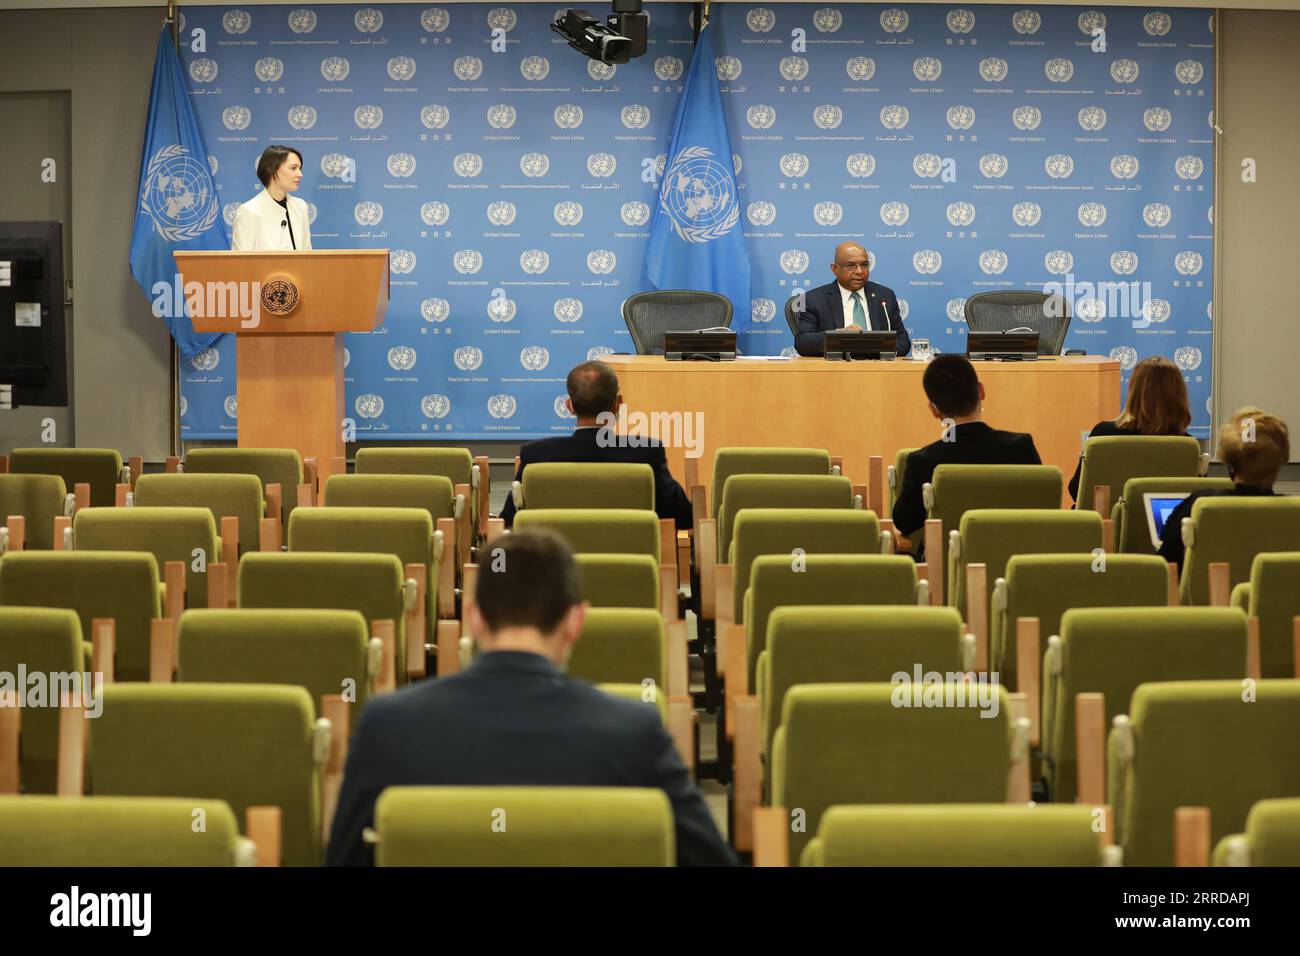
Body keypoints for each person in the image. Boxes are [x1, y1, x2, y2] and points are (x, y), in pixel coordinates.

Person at [326, 528, 736, 867]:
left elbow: (345, 859)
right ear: (575, 622)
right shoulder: (633, 731)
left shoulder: (388, 724)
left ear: (474, 616)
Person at [499, 360, 694, 529]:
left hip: (554, 565)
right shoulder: (645, 452)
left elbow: (508, 521)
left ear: (569, 406)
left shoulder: (536, 455)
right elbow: (684, 517)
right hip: (631, 566)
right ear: (618, 404)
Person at [891, 354, 1041, 557]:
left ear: (934, 410)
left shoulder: (923, 461)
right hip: (1017, 567)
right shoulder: (1021, 448)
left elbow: (904, 522)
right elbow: (1041, 509)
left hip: (947, 570)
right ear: (981, 391)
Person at [1158, 407, 1288, 570]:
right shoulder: (1293, 513)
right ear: (1281, 460)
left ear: (1230, 463)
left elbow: (1164, 565)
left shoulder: (1198, 506)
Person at [1069, 356, 1191, 502]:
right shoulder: (1187, 446)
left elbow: (1077, 490)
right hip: (1162, 523)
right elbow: (1195, 498)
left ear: (1133, 391)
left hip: (1109, 523)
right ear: (1179, 396)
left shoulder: (1103, 435)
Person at [794, 241, 911, 357]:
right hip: (835, 370)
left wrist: (881, 351)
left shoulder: (885, 296)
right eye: (851, 265)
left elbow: (903, 342)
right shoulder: (813, 299)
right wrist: (838, 336)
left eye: (864, 265)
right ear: (834, 269)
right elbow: (802, 342)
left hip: (877, 368)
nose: (859, 271)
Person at [231, 145, 312, 251]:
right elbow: (241, 262)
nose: (300, 174)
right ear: (271, 170)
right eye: (293, 168)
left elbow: (308, 254)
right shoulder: (249, 211)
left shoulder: (300, 206)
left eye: (299, 169)